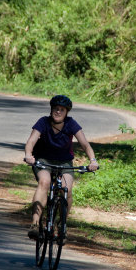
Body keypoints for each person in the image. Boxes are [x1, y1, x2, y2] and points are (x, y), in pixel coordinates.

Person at [24, 95, 99, 240]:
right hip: (43, 160)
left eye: (62, 110)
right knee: (44, 183)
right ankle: (34, 223)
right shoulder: (43, 122)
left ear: (66, 113)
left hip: (64, 162)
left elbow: (85, 144)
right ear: (51, 110)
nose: (58, 112)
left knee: (66, 189)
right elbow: (31, 141)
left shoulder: (71, 124)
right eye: (56, 109)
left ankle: (61, 225)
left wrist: (93, 160)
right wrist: (29, 155)